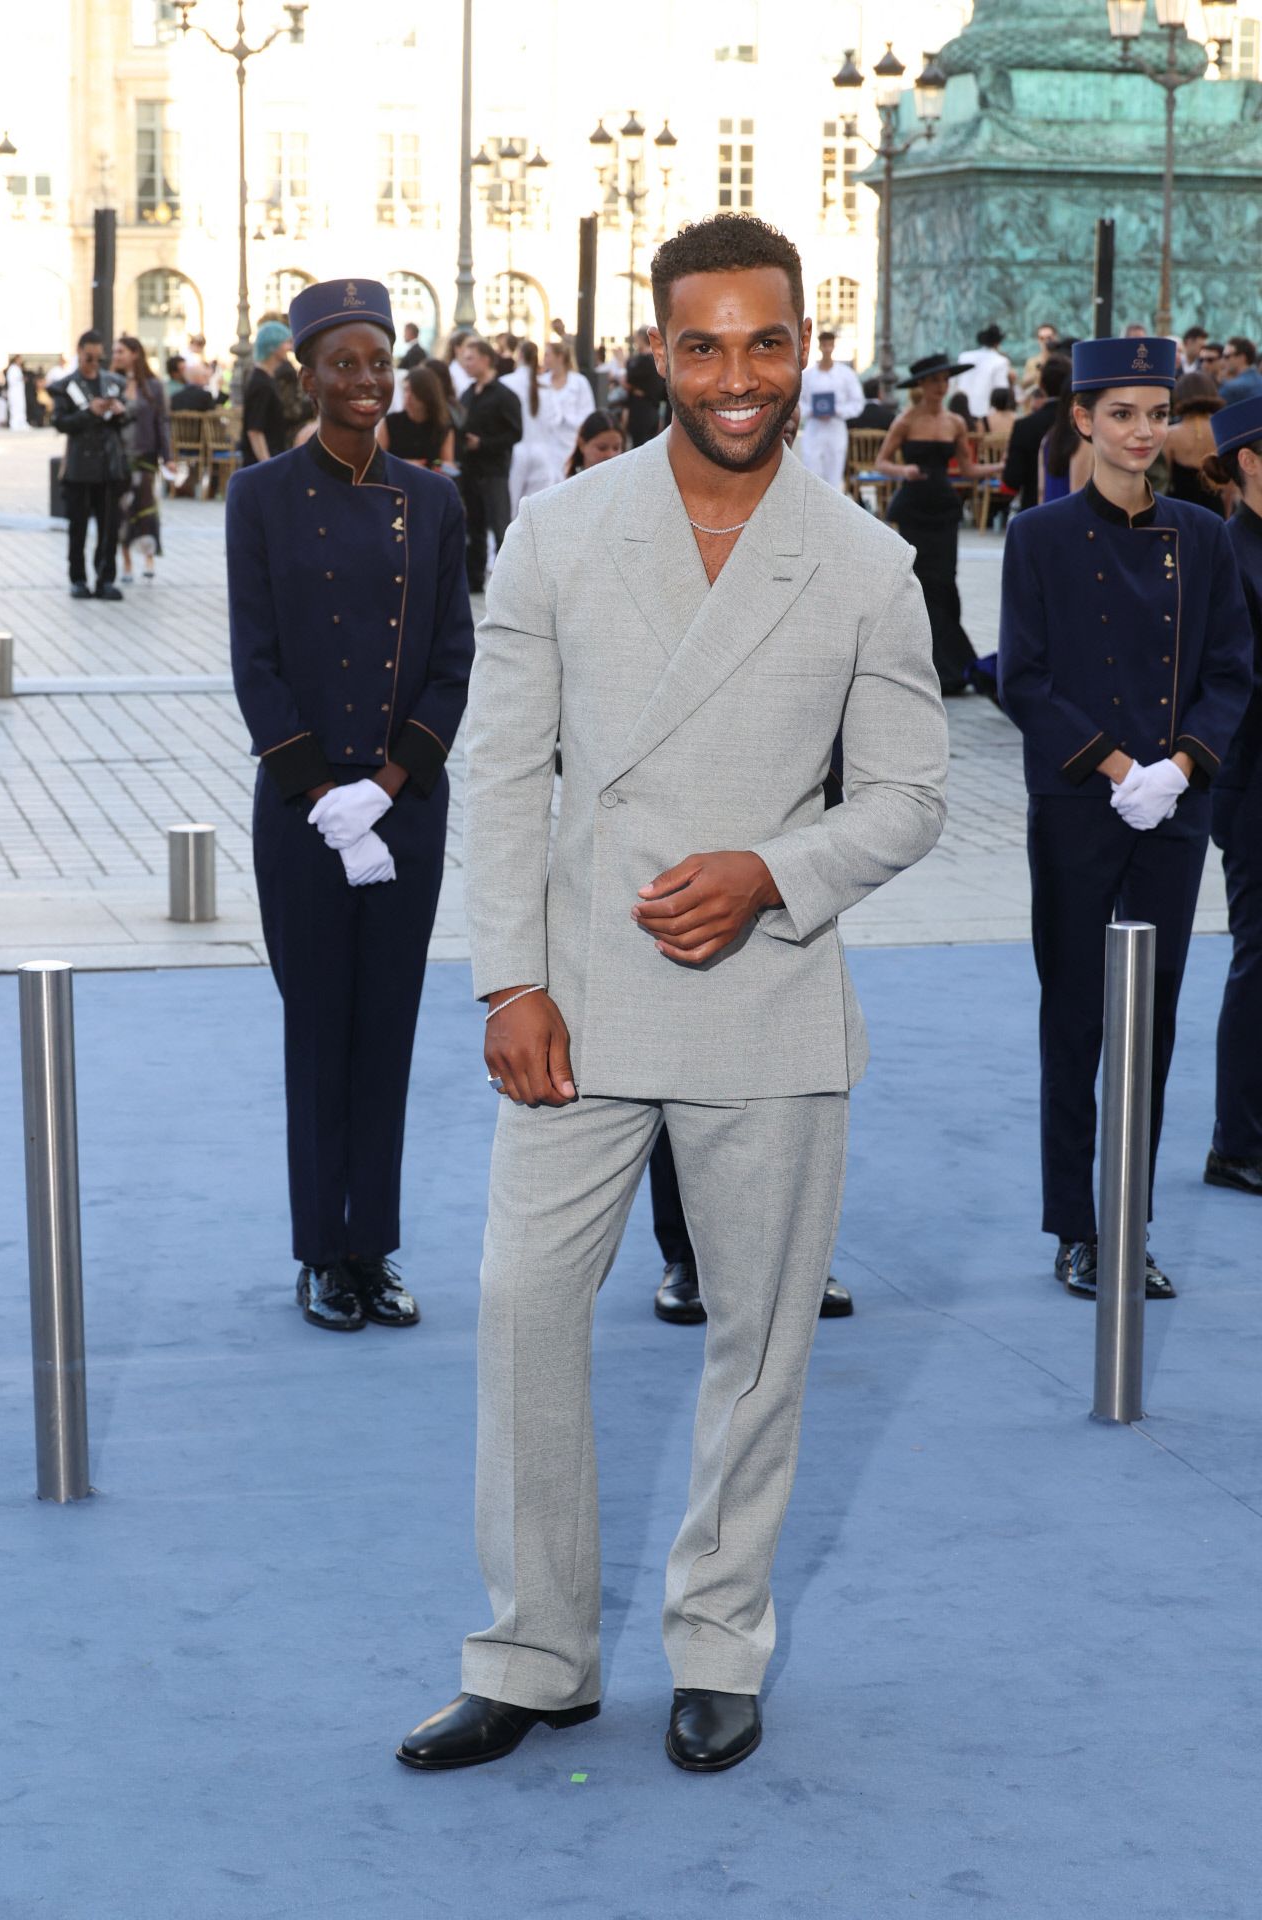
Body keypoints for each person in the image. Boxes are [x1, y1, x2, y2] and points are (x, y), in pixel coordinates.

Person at [398, 211, 946, 1778]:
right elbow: (501, 770)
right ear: (656, 351)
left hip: (765, 997)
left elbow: (909, 798)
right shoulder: (564, 534)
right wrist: (510, 977)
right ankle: (535, 1654)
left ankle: (719, 1641)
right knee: (520, 1318)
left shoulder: (863, 563)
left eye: (765, 342)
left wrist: (772, 873)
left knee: (757, 1345)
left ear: (802, 350)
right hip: (573, 998)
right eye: (701, 344)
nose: (735, 375)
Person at [226, 278, 474, 1335]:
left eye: (379, 360)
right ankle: (321, 1253)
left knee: (388, 1032)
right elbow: (257, 660)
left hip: (403, 809)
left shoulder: (437, 496)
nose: (366, 380)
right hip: (303, 813)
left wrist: (390, 782)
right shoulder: (261, 496)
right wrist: (319, 792)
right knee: (318, 1029)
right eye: (344, 363)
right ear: (305, 372)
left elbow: (452, 660)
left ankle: (374, 1247)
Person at [997, 336, 1252, 1300]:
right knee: (1074, 1017)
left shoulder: (1205, 535)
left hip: (1174, 812)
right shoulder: (1040, 537)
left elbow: (1232, 668)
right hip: (1078, 803)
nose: (1142, 432)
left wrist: (1180, 767)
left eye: (1156, 414)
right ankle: (1074, 1225)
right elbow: (1022, 674)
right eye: (1122, 414)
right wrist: (1116, 767)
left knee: (1152, 1026)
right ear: (1085, 420)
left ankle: (1127, 1227)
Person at [1201, 397, 1262, 1197]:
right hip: (1251, 787)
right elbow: (1229, 678)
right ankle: (1236, 1141)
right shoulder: (1227, 552)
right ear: (1249, 459)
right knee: (1260, 958)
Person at [876, 353, 1003, 695]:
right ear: (922, 385)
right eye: (935, 380)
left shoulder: (955, 423)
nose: (941, 386)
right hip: (915, 506)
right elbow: (882, 461)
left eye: (945, 380)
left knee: (946, 581)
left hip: (944, 508)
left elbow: (967, 469)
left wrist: (999, 468)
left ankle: (953, 665)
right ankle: (925, 663)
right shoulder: (905, 420)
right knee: (920, 582)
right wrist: (905, 471)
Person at [50, 329, 130, 602]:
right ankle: (78, 579)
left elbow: (129, 417)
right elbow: (60, 422)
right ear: (80, 353)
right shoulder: (65, 386)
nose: (94, 363)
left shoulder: (113, 383)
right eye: (89, 357)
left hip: (109, 466)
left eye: (99, 358)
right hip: (79, 467)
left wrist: (119, 411)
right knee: (78, 528)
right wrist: (88, 412)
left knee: (109, 528)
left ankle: (105, 578)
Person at [457, 336, 522, 591]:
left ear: (485, 359)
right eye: (464, 359)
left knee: (500, 526)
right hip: (470, 471)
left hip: (494, 471)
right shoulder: (468, 393)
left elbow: (515, 433)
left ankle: (509, 584)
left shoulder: (504, 395)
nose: (466, 364)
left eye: (470, 358)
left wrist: (483, 443)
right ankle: (474, 581)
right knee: (474, 527)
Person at [112, 334, 170, 582]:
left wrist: (167, 456)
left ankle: (148, 558)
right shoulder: (112, 384)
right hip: (119, 456)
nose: (116, 356)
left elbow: (162, 423)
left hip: (145, 455)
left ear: (135, 353)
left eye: (120, 351)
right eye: (115, 352)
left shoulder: (153, 386)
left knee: (146, 508)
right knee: (121, 509)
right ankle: (125, 561)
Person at [797, 328, 864, 494]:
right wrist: (812, 411)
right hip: (814, 428)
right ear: (819, 346)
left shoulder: (846, 374)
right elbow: (798, 401)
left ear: (834, 346)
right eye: (824, 344)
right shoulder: (808, 375)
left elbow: (857, 402)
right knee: (811, 469)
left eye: (830, 344)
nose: (827, 348)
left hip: (836, 428)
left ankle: (832, 513)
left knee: (834, 472)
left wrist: (837, 410)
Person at [1002, 354, 1068, 514]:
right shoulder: (1082, 424)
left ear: (1041, 384)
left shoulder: (1024, 426)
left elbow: (1012, 479)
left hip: (1033, 510)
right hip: (1074, 512)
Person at [500, 341, 560, 505]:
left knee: (513, 512)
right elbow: (554, 420)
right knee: (537, 509)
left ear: (519, 355)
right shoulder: (546, 386)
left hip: (516, 453)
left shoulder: (505, 382)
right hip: (543, 453)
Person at [1164, 371, 1225, 517]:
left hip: (1180, 510)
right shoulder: (1223, 432)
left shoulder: (1170, 435)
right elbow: (1229, 487)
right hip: (1215, 510)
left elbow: (1164, 480)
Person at [536, 341, 596, 475]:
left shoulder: (579, 382)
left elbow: (588, 414)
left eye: (547, 355)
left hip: (571, 443)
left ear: (560, 357)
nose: (544, 359)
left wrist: (567, 420)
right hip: (546, 445)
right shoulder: (540, 382)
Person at [380, 365, 455, 467]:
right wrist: (405, 464)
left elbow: (447, 464)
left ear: (426, 394)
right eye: (406, 390)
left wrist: (433, 465)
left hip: (428, 479)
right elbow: (378, 459)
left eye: (413, 391)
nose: (408, 396)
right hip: (394, 479)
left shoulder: (442, 427)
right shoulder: (390, 422)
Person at [240, 322, 291, 466]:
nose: (289, 347)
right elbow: (255, 430)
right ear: (273, 346)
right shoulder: (261, 383)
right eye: (286, 343)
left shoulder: (265, 379)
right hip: (261, 462)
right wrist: (268, 465)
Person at [1039, 380, 1093, 503]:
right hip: (1070, 518)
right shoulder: (1083, 441)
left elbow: (1041, 490)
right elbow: (1079, 496)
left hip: (1048, 515)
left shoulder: (1048, 438)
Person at [953, 324, 1013, 424]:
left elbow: (954, 385)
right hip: (985, 417)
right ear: (998, 343)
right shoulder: (1001, 361)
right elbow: (1000, 393)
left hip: (962, 414)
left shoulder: (964, 356)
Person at [625, 326, 666, 445]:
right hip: (654, 410)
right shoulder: (658, 360)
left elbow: (628, 380)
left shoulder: (641, 361)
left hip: (640, 410)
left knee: (639, 445)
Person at [565, 408, 624, 475]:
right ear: (582, 445)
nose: (610, 455)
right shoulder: (569, 483)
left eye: (616, 448)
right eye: (602, 448)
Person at [1218, 336, 1262, 405]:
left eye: (1227, 356)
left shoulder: (1231, 388)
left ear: (1242, 357)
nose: (1222, 360)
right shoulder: (1259, 381)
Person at [1020, 323, 1060, 395]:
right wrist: (1037, 373)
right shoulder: (1032, 362)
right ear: (1038, 340)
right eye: (1041, 338)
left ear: (1055, 338)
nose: (1045, 341)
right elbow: (1023, 385)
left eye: (1049, 338)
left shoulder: (1062, 360)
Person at [5, 355, 29, 431]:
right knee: (14, 408)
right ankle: (14, 424)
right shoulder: (12, 368)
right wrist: (21, 379)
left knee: (21, 408)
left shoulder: (18, 368)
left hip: (19, 393)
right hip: (14, 393)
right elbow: (11, 380)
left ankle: (22, 423)